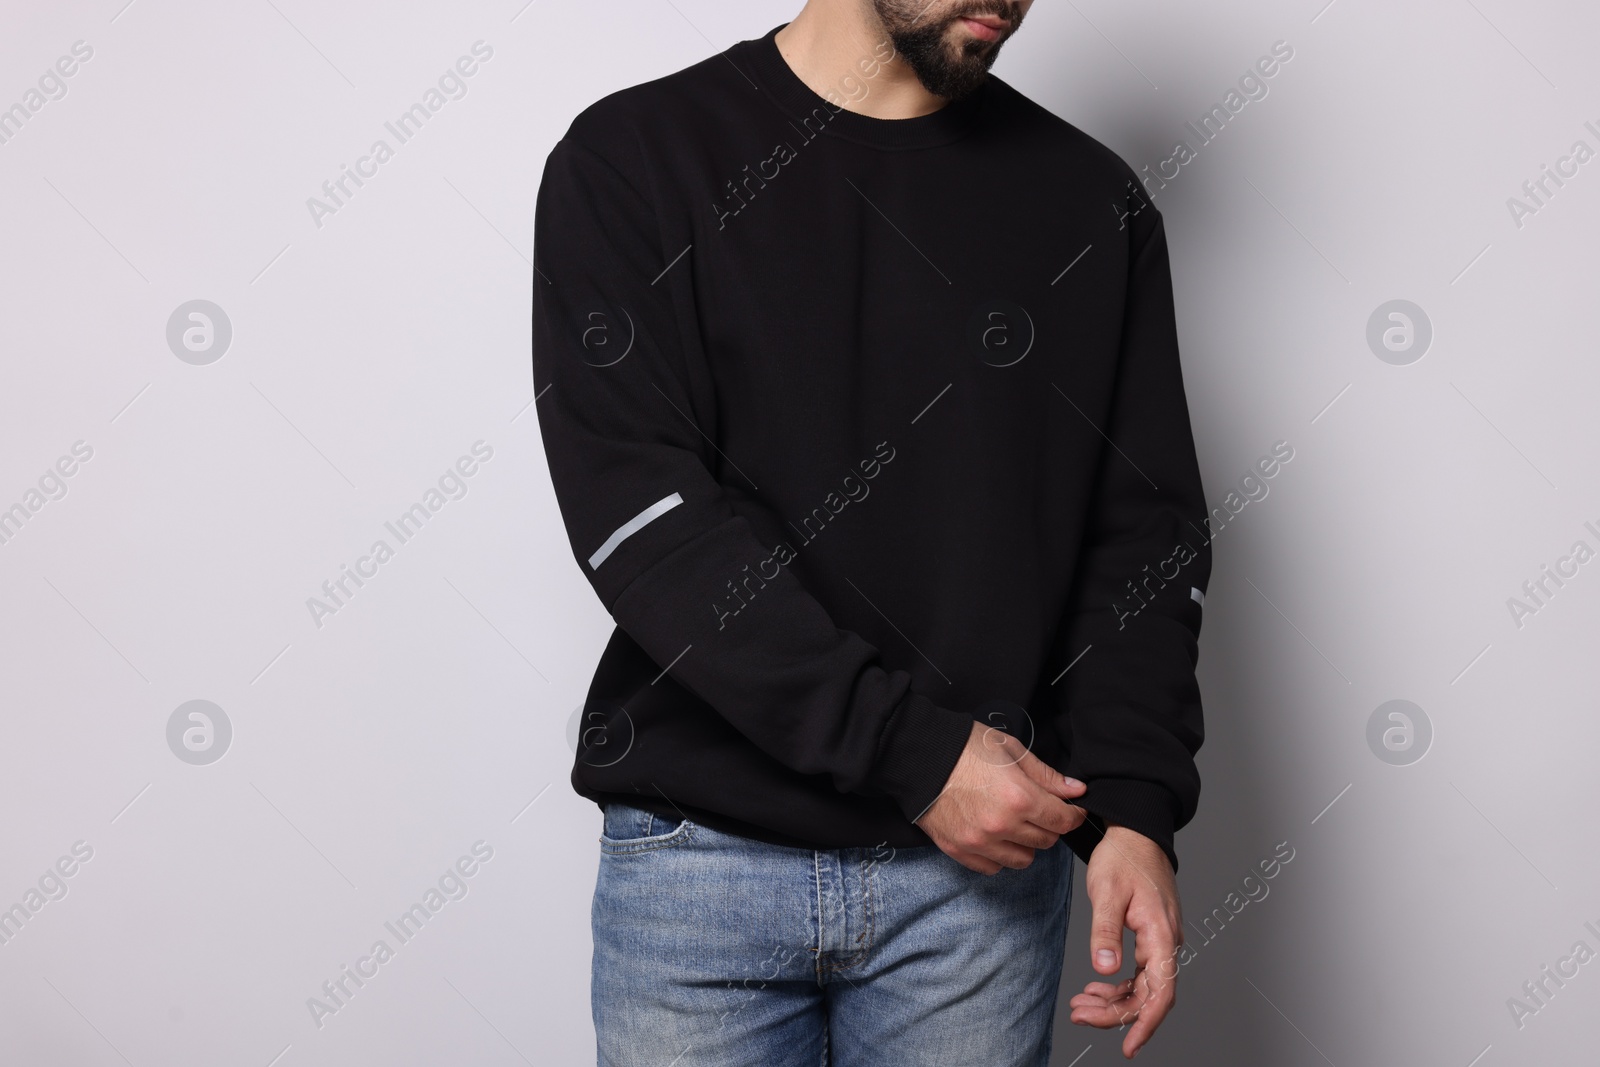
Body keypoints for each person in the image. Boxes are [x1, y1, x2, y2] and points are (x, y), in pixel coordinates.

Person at [531, 1, 1212, 1062]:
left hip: (975, 888)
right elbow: (643, 521)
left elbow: (1140, 538)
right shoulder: (635, 159)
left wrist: (1133, 806)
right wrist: (912, 752)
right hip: (701, 862)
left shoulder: (1089, 202)